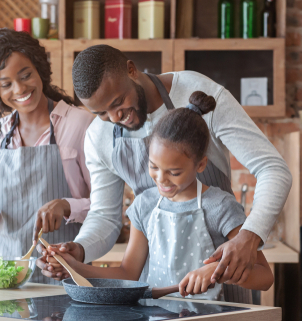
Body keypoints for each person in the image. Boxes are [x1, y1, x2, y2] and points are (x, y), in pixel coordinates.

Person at [38, 45, 291, 302]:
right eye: (101, 113)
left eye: (118, 102)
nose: (115, 117)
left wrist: (249, 237)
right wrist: (78, 252)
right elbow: (105, 216)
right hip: (158, 295)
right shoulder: (99, 138)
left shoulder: (198, 93)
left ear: (132, 70)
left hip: (227, 279)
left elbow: (273, 168)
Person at [0, 28, 94, 284]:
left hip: (67, 274)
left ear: (39, 69)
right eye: (6, 84)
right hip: (7, 280)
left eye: (26, 75)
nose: (20, 88)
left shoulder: (80, 124)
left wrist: (66, 205)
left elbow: (105, 209)